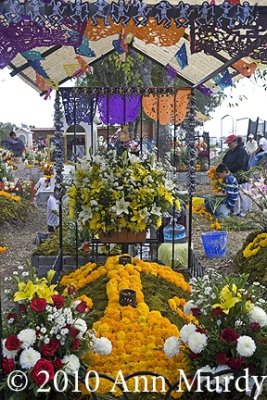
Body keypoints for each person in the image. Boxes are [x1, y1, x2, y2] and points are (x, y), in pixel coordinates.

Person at [222, 134, 250, 215]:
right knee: (234, 196)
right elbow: (224, 162)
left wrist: (227, 170)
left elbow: (240, 165)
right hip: (232, 177)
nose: (228, 145)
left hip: (242, 178)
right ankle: (235, 211)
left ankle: (244, 212)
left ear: (235, 142)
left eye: (229, 143)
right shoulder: (229, 152)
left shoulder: (242, 151)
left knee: (244, 196)